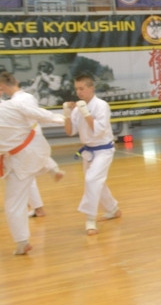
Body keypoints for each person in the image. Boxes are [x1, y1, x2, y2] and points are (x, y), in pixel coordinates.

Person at [0, 76, 66, 255]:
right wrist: (63, 119)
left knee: (14, 203)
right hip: (34, 149)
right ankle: (53, 169)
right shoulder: (12, 105)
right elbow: (40, 114)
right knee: (28, 182)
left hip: (20, 159)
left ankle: (22, 242)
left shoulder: (13, 104)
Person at [63, 74, 120, 235]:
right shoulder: (77, 109)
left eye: (82, 88)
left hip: (104, 150)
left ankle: (90, 219)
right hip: (88, 151)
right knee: (97, 182)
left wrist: (86, 112)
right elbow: (70, 132)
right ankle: (112, 209)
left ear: (91, 88)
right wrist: (67, 114)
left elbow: (99, 130)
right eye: (76, 89)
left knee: (92, 180)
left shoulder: (102, 106)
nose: (79, 92)